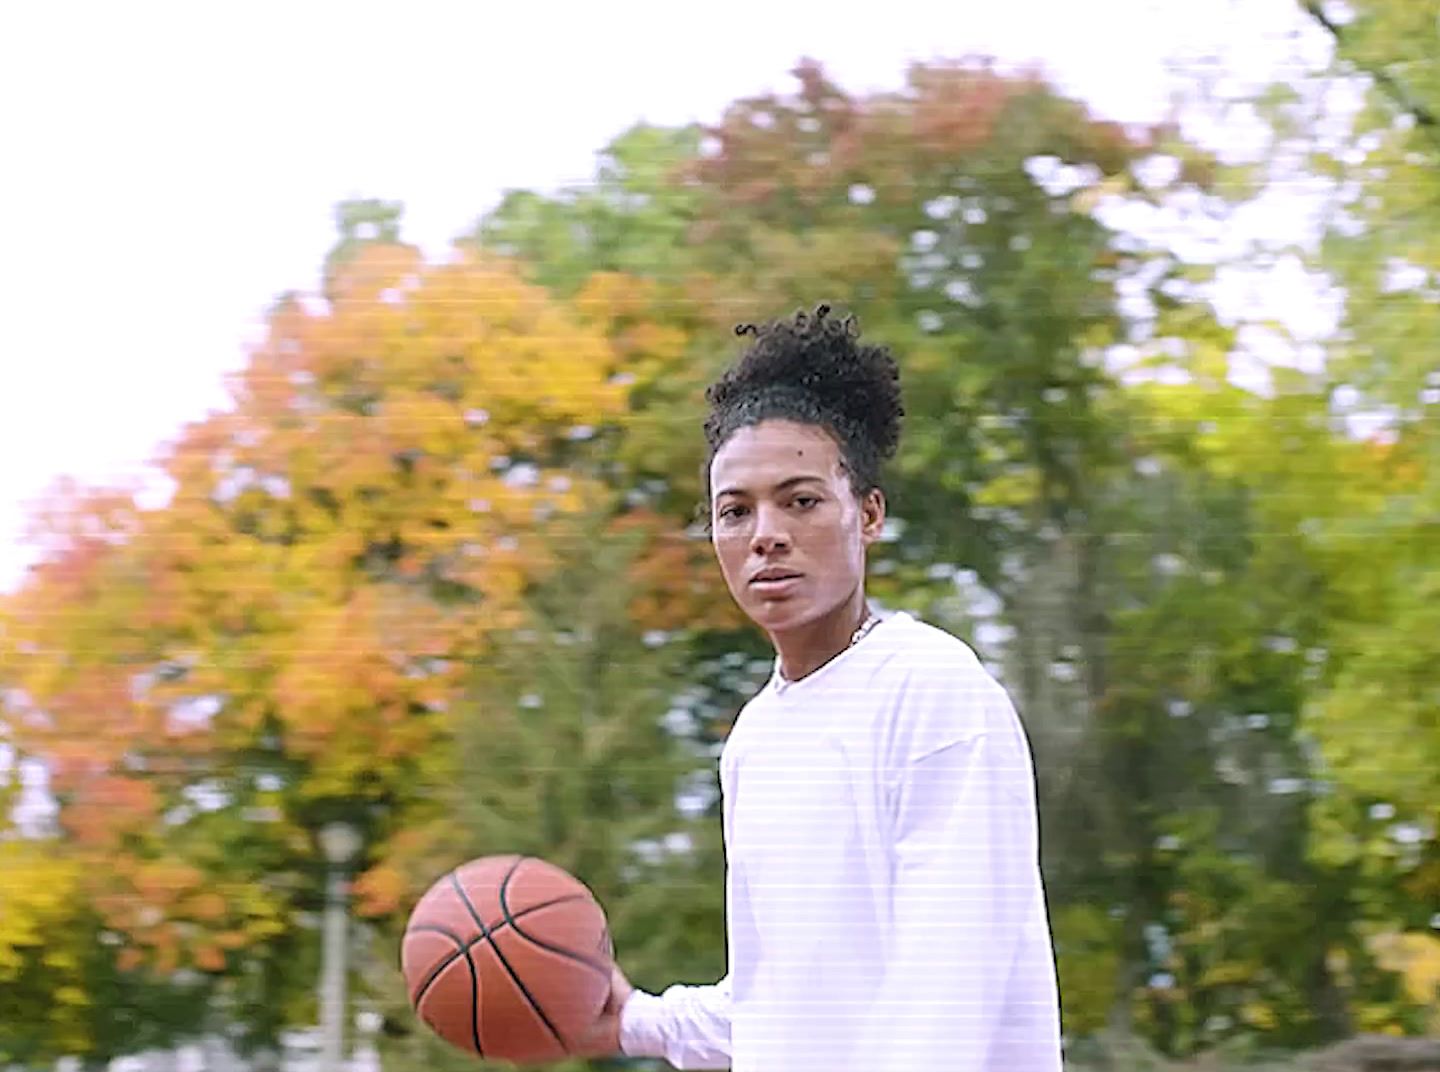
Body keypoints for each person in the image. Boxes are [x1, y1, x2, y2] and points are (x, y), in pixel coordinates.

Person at [576, 304, 1063, 1070]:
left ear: (867, 514)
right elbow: (781, 1006)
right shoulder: (754, 740)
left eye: (800, 500)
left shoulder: (933, 690)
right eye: (734, 512)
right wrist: (635, 1019)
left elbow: (948, 994)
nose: (765, 533)